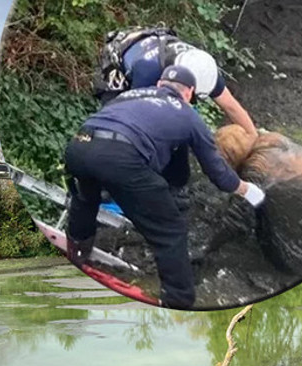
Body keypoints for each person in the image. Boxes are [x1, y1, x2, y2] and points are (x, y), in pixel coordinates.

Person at [65, 65, 265, 309]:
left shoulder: (130, 95)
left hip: (79, 147)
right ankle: (179, 299)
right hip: (121, 158)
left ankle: (76, 253)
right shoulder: (188, 114)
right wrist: (247, 190)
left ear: (160, 85)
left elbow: (166, 158)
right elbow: (218, 173)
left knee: (85, 200)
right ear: (190, 93)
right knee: (170, 230)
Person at [95, 27, 257, 191]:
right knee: (124, 139)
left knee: (178, 165)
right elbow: (135, 121)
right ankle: (109, 188)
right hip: (121, 70)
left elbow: (231, 106)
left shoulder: (204, 71)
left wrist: (253, 138)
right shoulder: (148, 72)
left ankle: (174, 183)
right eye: (192, 98)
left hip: (159, 60)